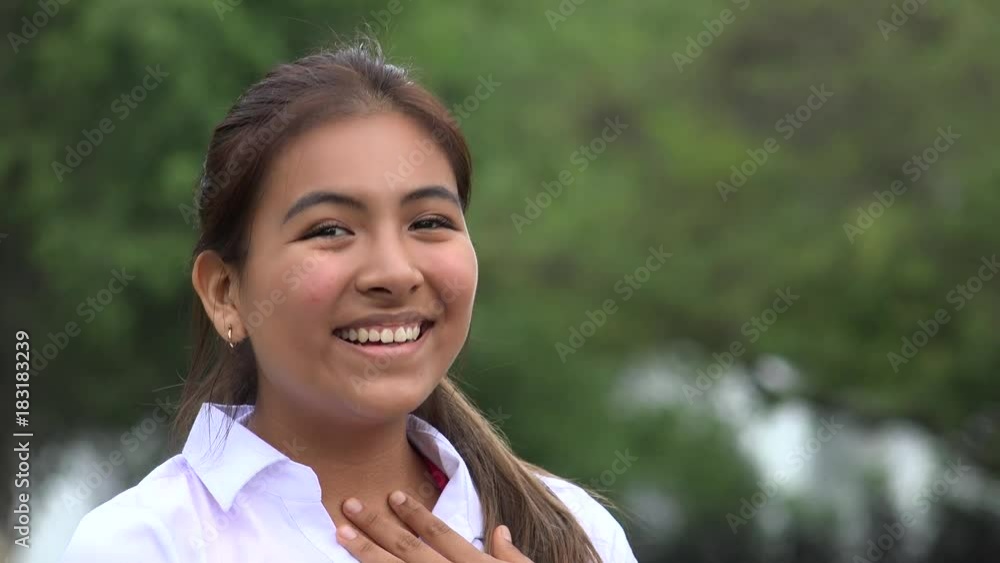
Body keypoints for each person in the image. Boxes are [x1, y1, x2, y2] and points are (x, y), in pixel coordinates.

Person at [59, 39, 638, 563]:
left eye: (430, 221)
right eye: (330, 230)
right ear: (224, 292)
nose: (393, 272)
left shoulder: (576, 534)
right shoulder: (142, 544)